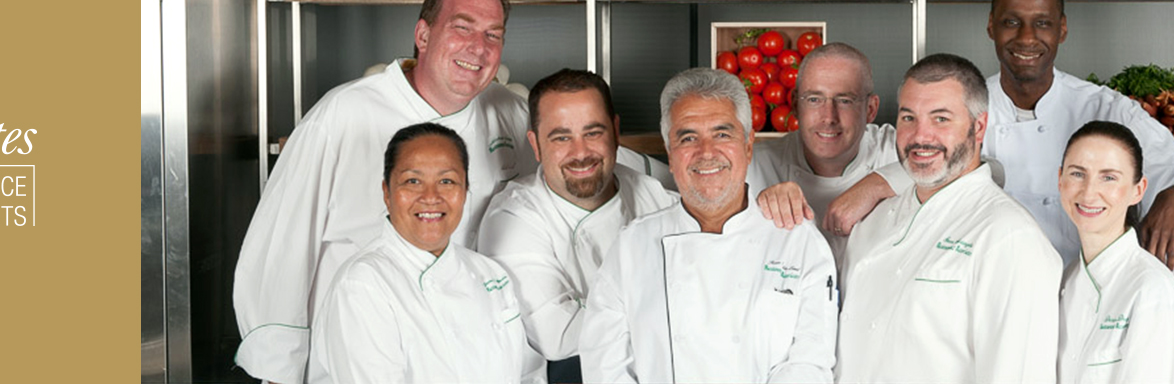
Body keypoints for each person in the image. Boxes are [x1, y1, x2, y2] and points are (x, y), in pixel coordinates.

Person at [232, 0, 538, 383]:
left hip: (471, 357)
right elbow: (281, 247)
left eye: (493, 35)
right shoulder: (342, 115)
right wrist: (276, 371)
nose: (478, 48)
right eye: (462, 28)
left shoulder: (510, 114)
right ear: (423, 35)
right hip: (352, 361)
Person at [823, 0, 1174, 271]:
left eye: (1042, 23)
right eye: (1012, 22)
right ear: (992, 27)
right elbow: (927, 158)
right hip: (992, 285)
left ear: (1062, 29)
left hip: (1082, 286)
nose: (1027, 38)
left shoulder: (1105, 108)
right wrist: (875, 184)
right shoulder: (968, 106)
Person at [580, 68, 838, 383]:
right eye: (688, 137)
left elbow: (810, 365)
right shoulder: (631, 246)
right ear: (671, 155)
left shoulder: (798, 242)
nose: (706, 153)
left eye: (722, 133)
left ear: (747, 145)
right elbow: (603, 367)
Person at [836, 54, 1060, 383]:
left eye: (941, 119)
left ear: (979, 126)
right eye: (908, 117)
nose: (920, 136)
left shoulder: (1010, 239)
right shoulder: (872, 222)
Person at [475, 69, 678, 383]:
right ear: (536, 144)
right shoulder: (514, 217)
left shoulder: (649, 190)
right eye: (561, 137)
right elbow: (558, 335)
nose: (580, 152)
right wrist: (666, 304)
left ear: (615, 130)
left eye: (593, 132)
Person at [307, 123, 545, 384]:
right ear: (387, 192)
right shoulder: (364, 286)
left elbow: (529, 374)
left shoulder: (490, 274)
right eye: (413, 181)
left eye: (447, 181)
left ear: (465, 191)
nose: (431, 196)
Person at [1054, 121, 1174, 383]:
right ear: (1060, 180)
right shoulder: (1067, 279)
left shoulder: (1152, 293)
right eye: (1077, 174)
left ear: (1137, 190)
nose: (1089, 192)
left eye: (1109, 177)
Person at [750, 42, 900, 282]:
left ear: (870, 110)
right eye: (814, 100)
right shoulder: (756, 164)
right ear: (796, 105)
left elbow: (975, 169)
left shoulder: (895, 150)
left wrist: (878, 183)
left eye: (845, 100)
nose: (828, 117)